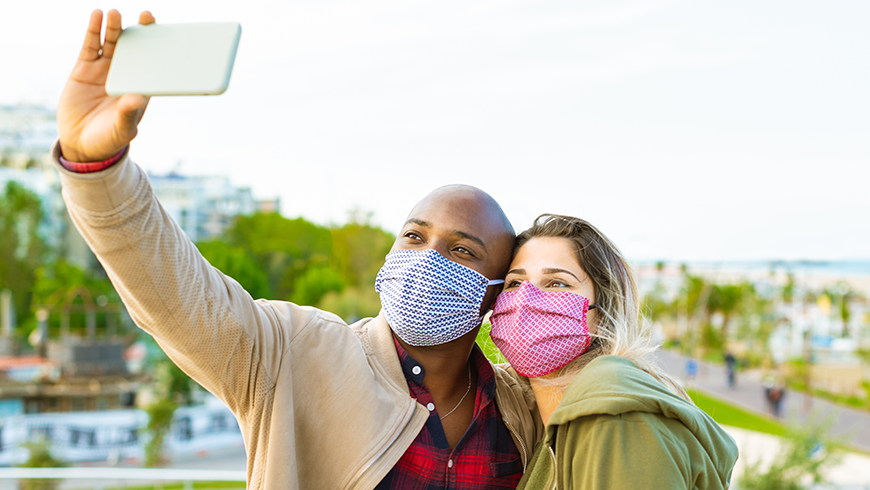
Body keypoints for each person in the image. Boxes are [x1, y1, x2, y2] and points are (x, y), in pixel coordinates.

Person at [54, 10, 542, 489]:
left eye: (461, 251)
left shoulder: (524, 409)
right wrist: (98, 169)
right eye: (414, 236)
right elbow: (176, 294)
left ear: (496, 295)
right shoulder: (294, 354)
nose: (427, 260)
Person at [488, 214, 738, 489]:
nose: (526, 299)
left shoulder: (616, 418)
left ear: (604, 309)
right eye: (514, 283)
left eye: (558, 283)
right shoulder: (546, 422)